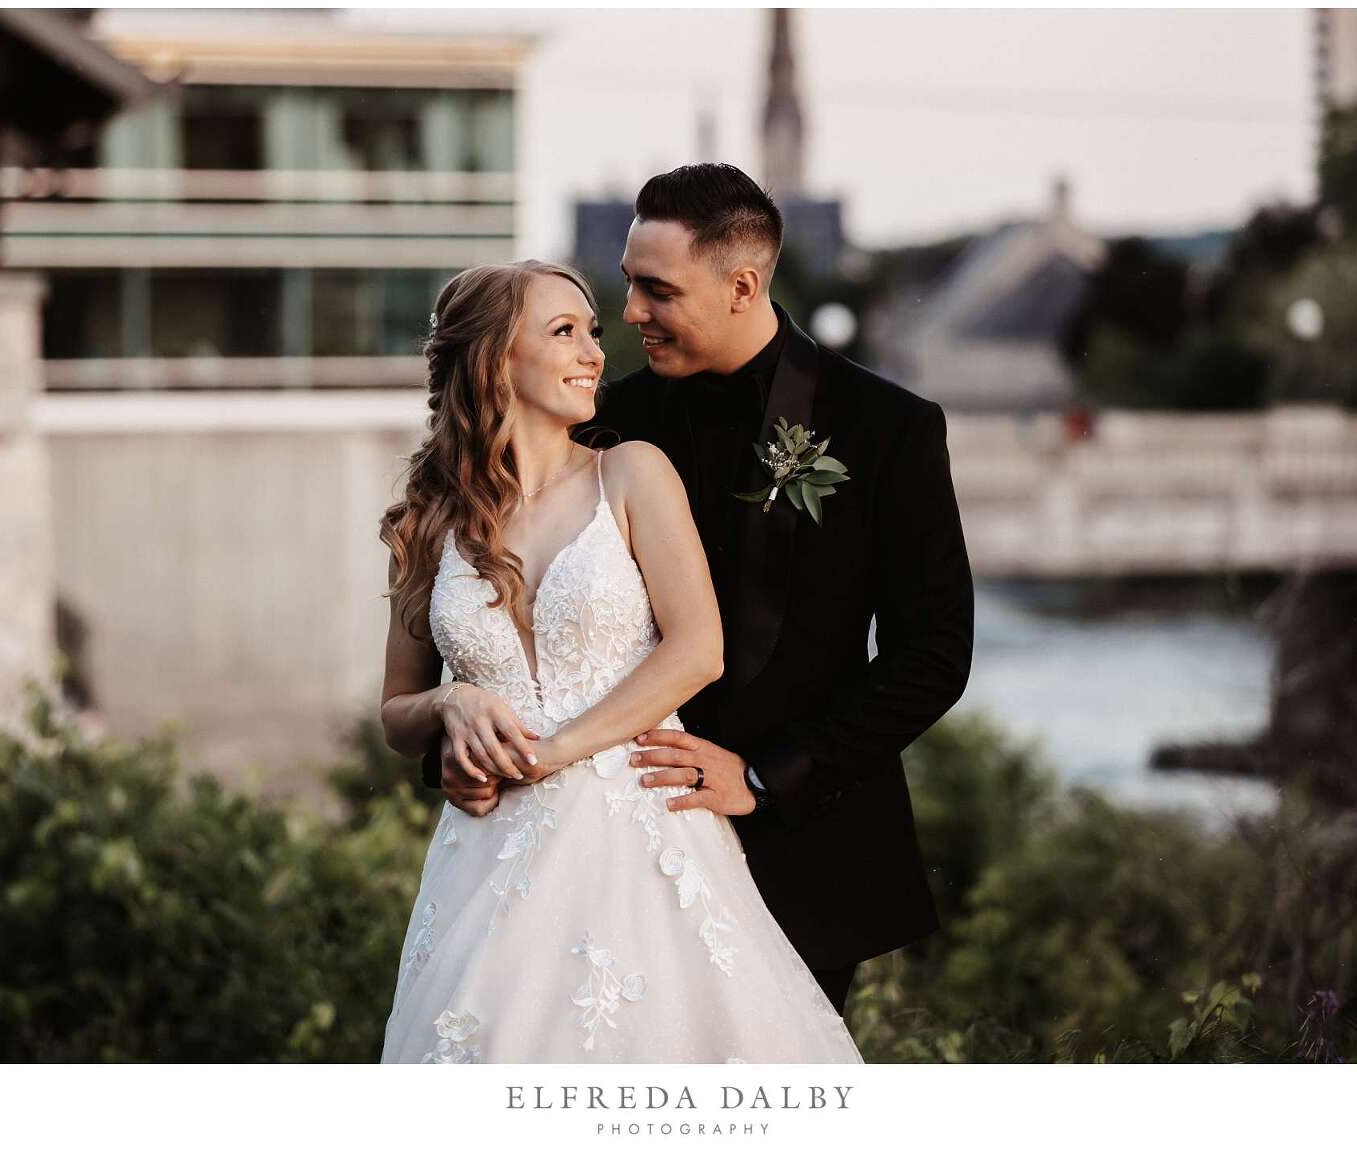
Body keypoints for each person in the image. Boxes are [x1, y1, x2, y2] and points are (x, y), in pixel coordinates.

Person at [428, 165, 975, 1014]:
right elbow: (503, 611)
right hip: (606, 849)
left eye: (658, 290)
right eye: (628, 285)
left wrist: (766, 776)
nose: (631, 313)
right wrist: (459, 735)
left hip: (804, 849)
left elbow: (932, 656)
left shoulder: (888, 428)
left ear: (742, 286)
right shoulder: (600, 423)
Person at [378, 258, 861, 1062]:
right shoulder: (430, 521)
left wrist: (554, 752)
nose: (595, 352)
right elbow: (397, 712)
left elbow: (698, 650)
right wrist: (449, 704)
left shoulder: (631, 473)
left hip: (638, 832)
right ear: (496, 359)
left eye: (593, 332)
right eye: (564, 332)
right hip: (485, 856)